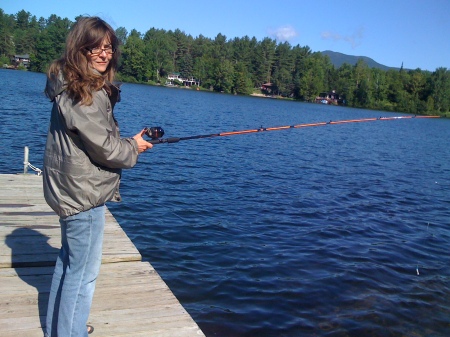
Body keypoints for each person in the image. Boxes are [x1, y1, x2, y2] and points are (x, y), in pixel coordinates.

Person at [42, 16, 152, 336]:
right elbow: (106, 148)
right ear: (81, 49)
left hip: (72, 188)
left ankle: (61, 328)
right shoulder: (82, 92)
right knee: (83, 274)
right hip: (83, 193)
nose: (104, 54)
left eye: (108, 48)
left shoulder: (70, 84)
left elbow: (95, 139)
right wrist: (134, 146)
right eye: (95, 48)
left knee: (68, 264)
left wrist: (129, 143)